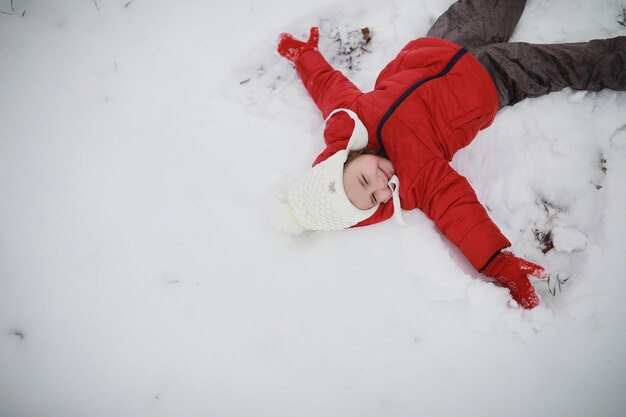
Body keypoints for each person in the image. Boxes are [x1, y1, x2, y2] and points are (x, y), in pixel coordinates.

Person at [272, 0, 626, 309]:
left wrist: (305, 57)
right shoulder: (416, 178)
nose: (381, 185)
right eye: (375, 198)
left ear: (344, 159)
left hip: (438, 45)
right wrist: (496, 261)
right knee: (570, 63)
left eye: (365, 179)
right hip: (493, 79)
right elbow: (456, 208)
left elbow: (329, 88)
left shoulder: (348, 120)